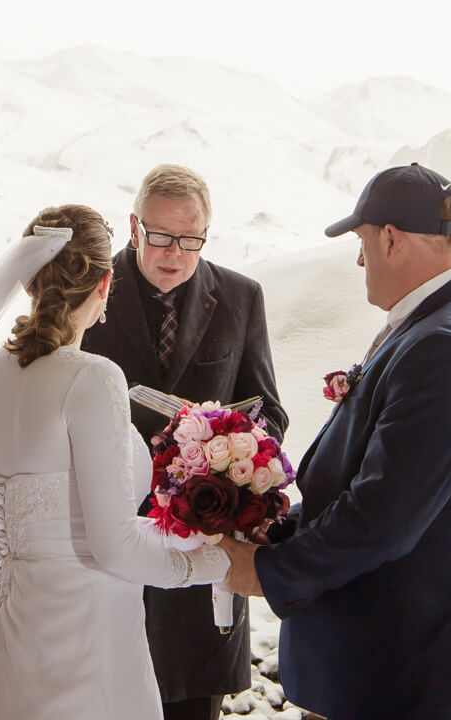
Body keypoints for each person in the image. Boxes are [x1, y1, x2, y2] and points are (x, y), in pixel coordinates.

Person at [222, 163, 451, 720]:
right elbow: (389, 482)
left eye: (361, 242)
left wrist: (264, 571)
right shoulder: (444, 325)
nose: (360, 261)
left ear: (391, 238)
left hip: (398, 676)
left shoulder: (445, 349)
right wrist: (283, 527)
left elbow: (383, 516)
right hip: (384, 666)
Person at [0, 204, 231, 720]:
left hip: (0, 623)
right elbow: (113, 548)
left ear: (28, 280)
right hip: (83, 633)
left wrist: (181, 534)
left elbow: (44, 520)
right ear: (105, 283)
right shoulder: (93, 378)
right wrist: (210, 564)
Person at [82, 164, 288, 720]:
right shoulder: (88, 295)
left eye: (190, 239)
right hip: (105, 552)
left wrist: (233, 449)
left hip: (202, 551)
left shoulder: (241, 297)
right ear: (133, 227)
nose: (175, 253)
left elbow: (270, 412)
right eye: (160, 236)